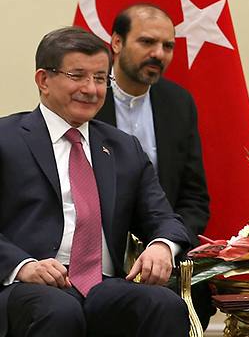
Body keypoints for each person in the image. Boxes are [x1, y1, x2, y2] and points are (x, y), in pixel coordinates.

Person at [0, 27, 191, 337]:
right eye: (77, 76)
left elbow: (163, 217)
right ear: (43, 80)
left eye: (101, 78)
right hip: (26, 284)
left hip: (103, 285)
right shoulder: (6, 139)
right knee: (58, 310)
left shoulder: (123, 147)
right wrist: (24, 265)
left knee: (162, 304)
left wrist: (161, 247)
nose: (91, 89)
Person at [93, 4, 213, 328]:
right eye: (147, 42)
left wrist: (167, 245)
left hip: (163, 246)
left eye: (168, 46)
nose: (158, 54)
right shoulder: (87, 99)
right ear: (116, 43)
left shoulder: (178, 103)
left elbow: (194, 198)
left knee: (201, 288)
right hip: (98, 249)